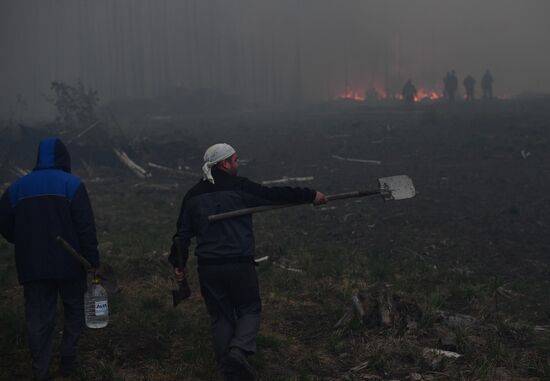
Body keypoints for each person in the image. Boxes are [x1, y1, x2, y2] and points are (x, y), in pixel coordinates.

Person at [169, 143, 327, 380]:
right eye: (235, 160)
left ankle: (227, 372)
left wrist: (178, 265)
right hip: (238, 264)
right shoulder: (240, 188)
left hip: (209, 268)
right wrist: (311, 194)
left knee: (221, 317)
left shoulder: (192, 195)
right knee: (249, 309)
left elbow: (182, 235)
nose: (237, 164)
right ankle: (238, 350)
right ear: (224, 164)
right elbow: (274, 196)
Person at [0, 137, 99, 381]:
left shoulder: (16, 188)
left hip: (33, 266)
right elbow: (85, 227)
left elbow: (4, 224)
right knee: (75, 310)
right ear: (64, 158)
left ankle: (40, 372)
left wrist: (22, 242)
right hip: (71, 264)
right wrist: (92, 260)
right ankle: (67, 360)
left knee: (38, 320)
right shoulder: (72, 185)